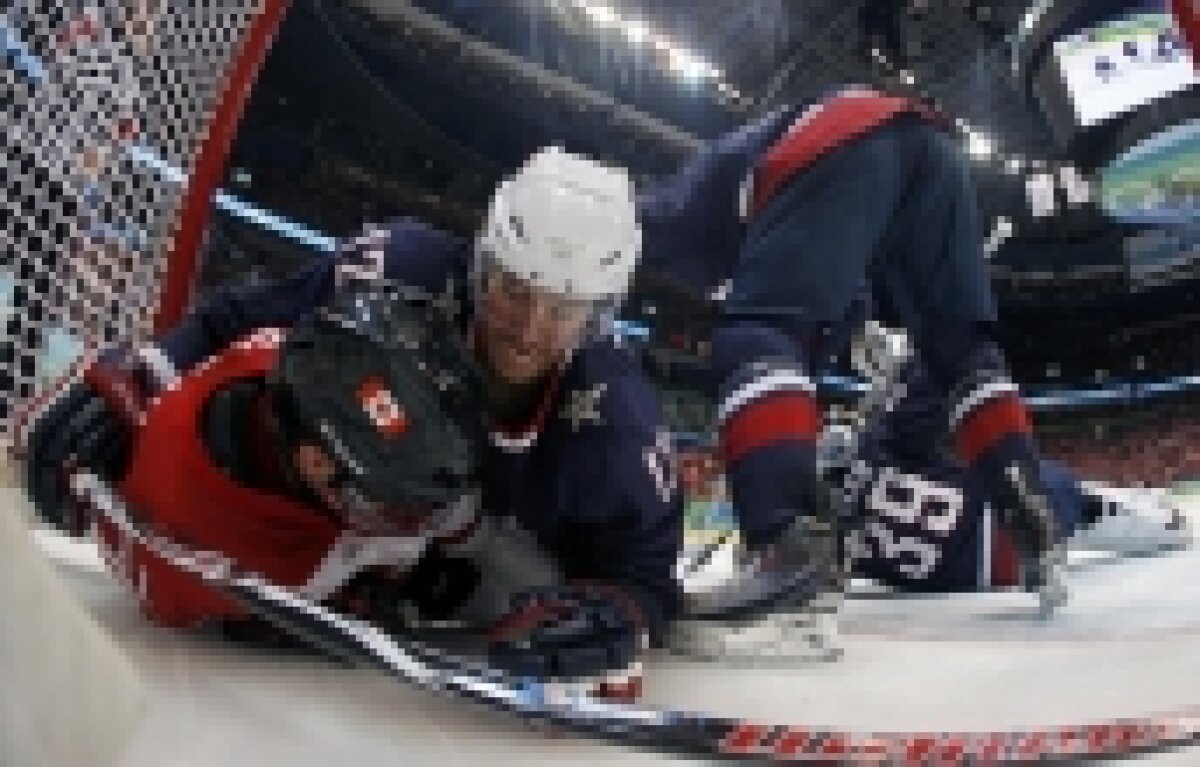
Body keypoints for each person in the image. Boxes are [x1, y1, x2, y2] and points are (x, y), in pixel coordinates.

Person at [24, 147, 680, 699]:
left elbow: (648, 577)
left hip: (482, 577)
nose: (528, 332)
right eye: (513, 290)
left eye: (562, 310)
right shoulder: (400, 268)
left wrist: (621, 611)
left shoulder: (620, 423)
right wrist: (142, 377)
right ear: (483, 261)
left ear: (597, 315)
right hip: (339, 536)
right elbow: (233, 323)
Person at [636, 85, 1069, 616]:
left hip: (848, 134)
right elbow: (836, 311)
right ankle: (1029, 517)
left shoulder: (674, 209)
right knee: (958, 352)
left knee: (750, 335)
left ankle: (785, 560)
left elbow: (771, 328)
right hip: (932, 151)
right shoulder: (770, 217)